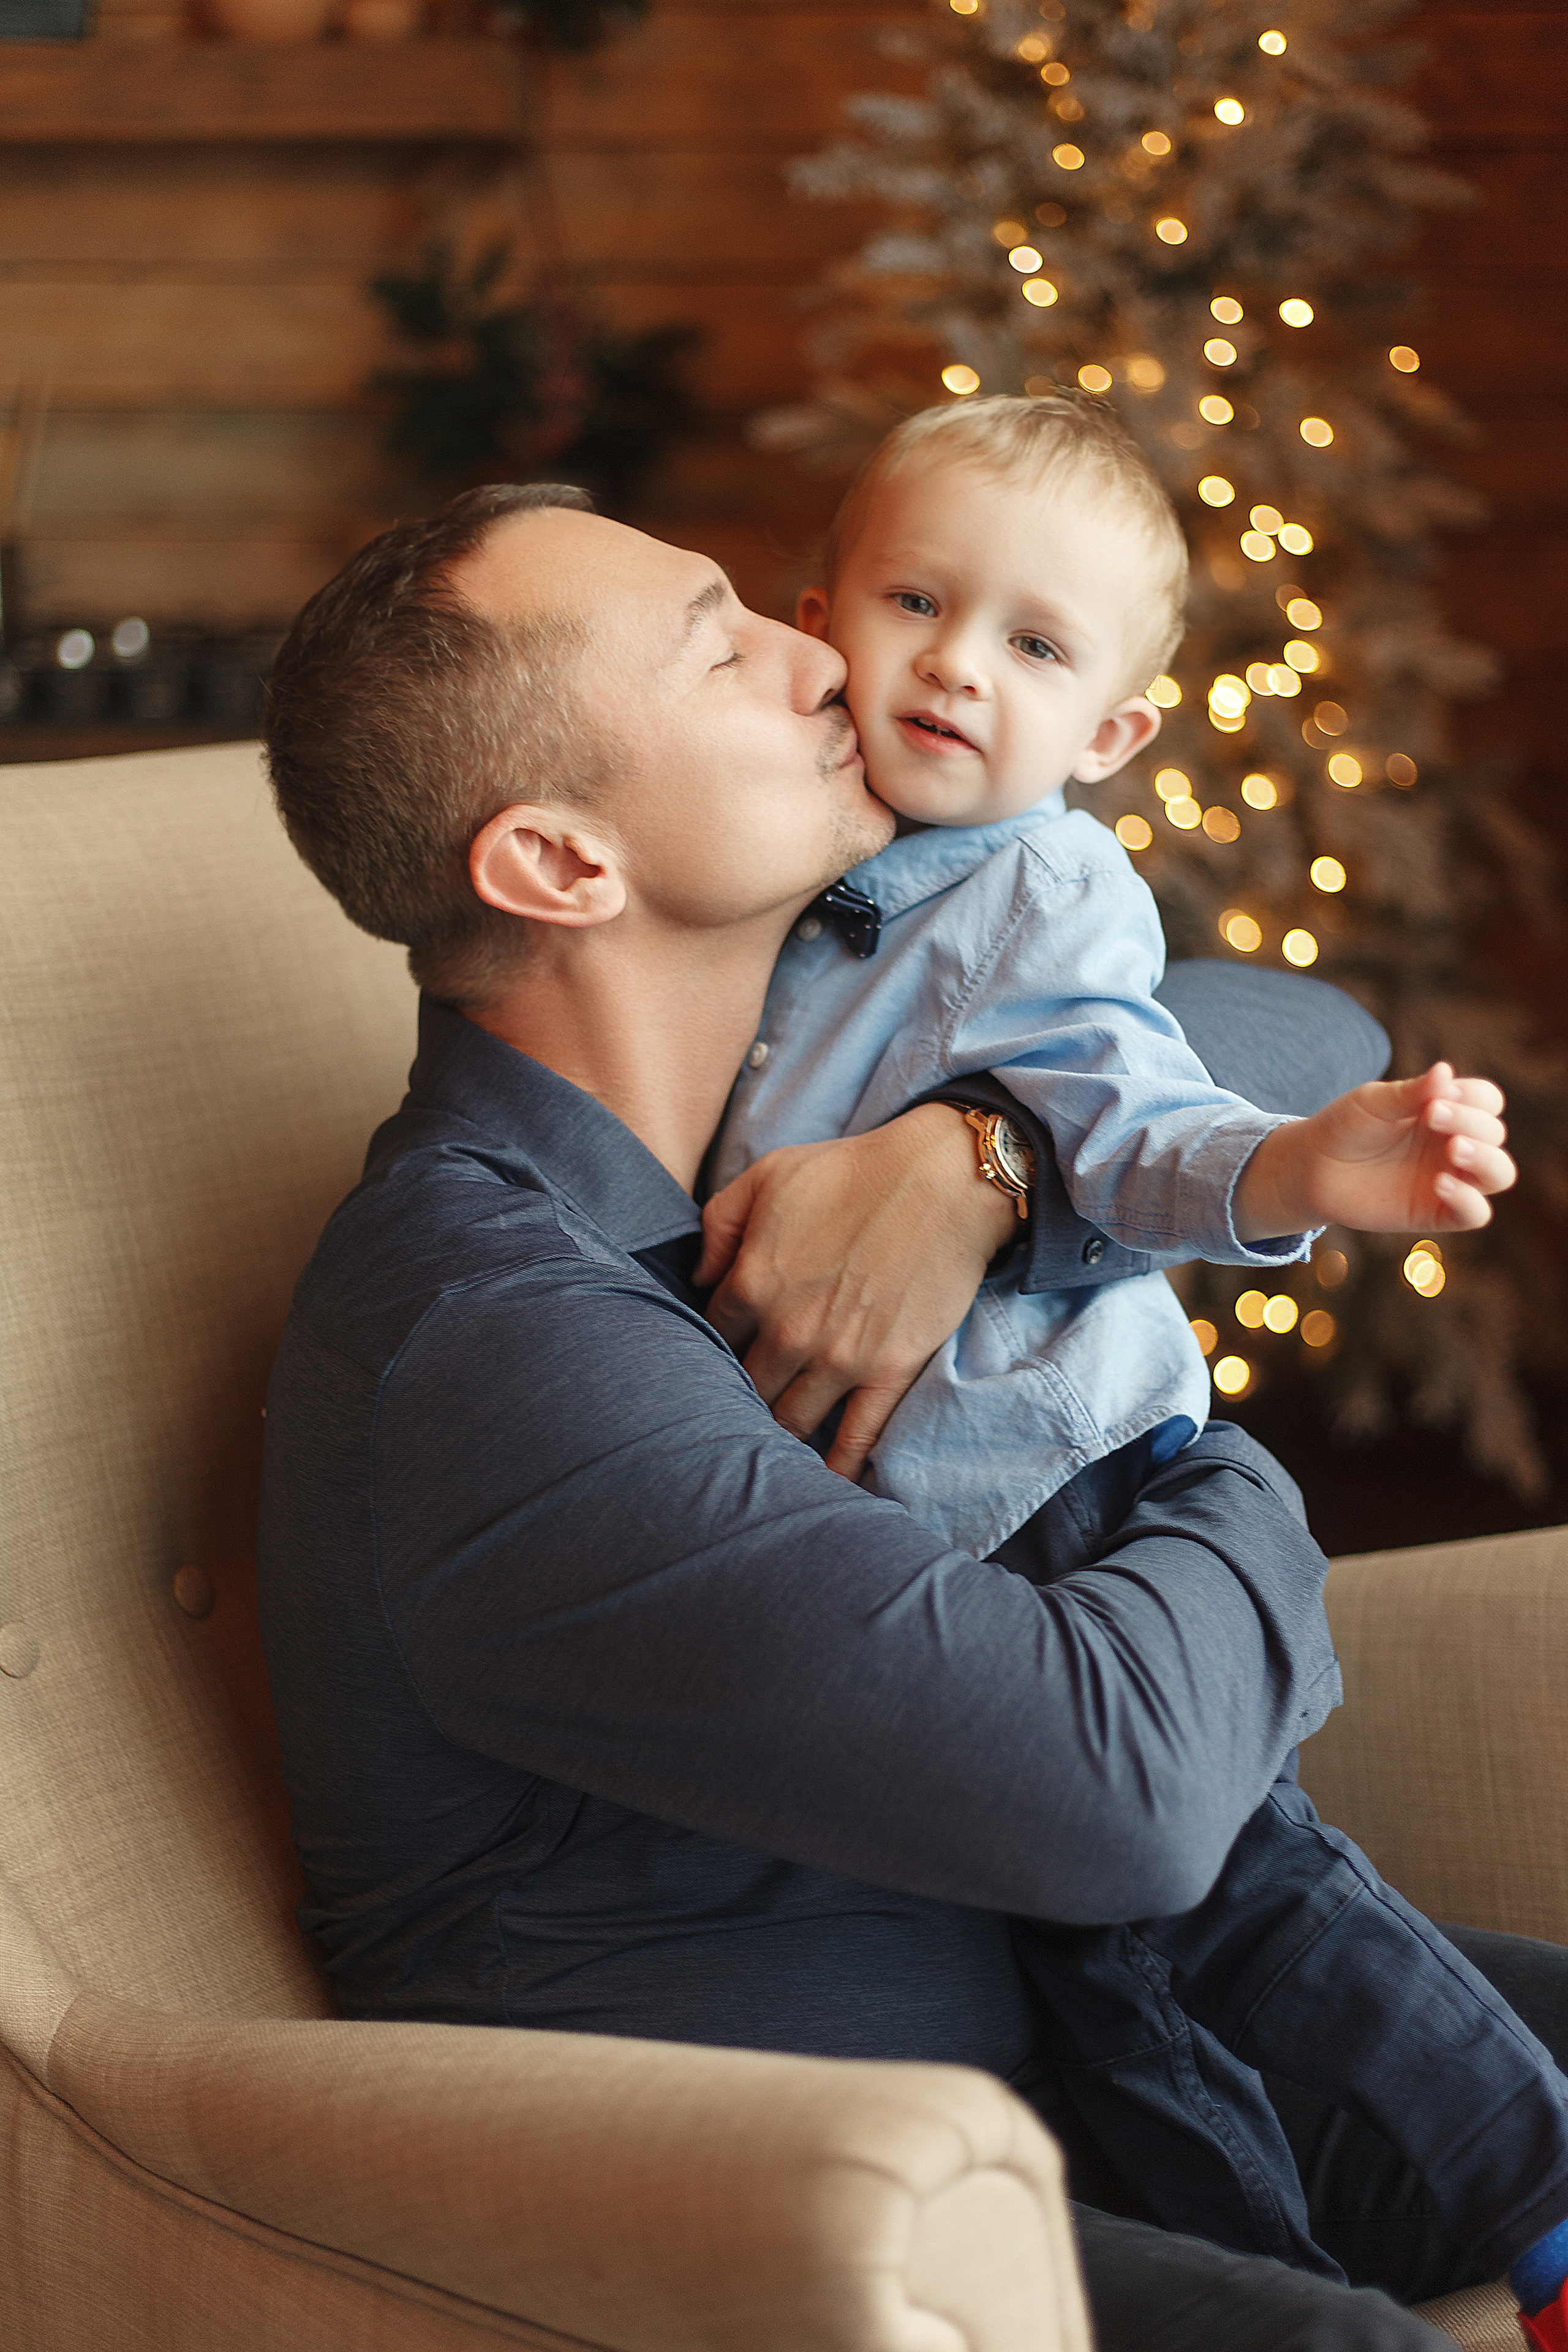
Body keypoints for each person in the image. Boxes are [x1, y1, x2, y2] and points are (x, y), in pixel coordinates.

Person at [255, 480, 1542, 2351]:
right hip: (803, 2226)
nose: (825, 656)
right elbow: (1126, 1799)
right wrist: (1213, 1468)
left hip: (1084, 2054)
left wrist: (994, 1158)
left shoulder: (814, 1061)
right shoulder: (494, 1335)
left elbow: (1299, 1023)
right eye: (724, 643)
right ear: (558, 865)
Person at [701, 391, 1568, 2349]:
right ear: (815, 609)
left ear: (1106, 739)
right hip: (920, 1546)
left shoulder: (1044, 888)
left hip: (1057, 1487)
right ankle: (1285, 2285)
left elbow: (1134, 1114)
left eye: (1030, 644)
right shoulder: (778, 853)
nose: (953, 663)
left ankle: (1543, 2194)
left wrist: (1299, 1168)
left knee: (1250, 1901)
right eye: (913, 600)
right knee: (1117, 1995)